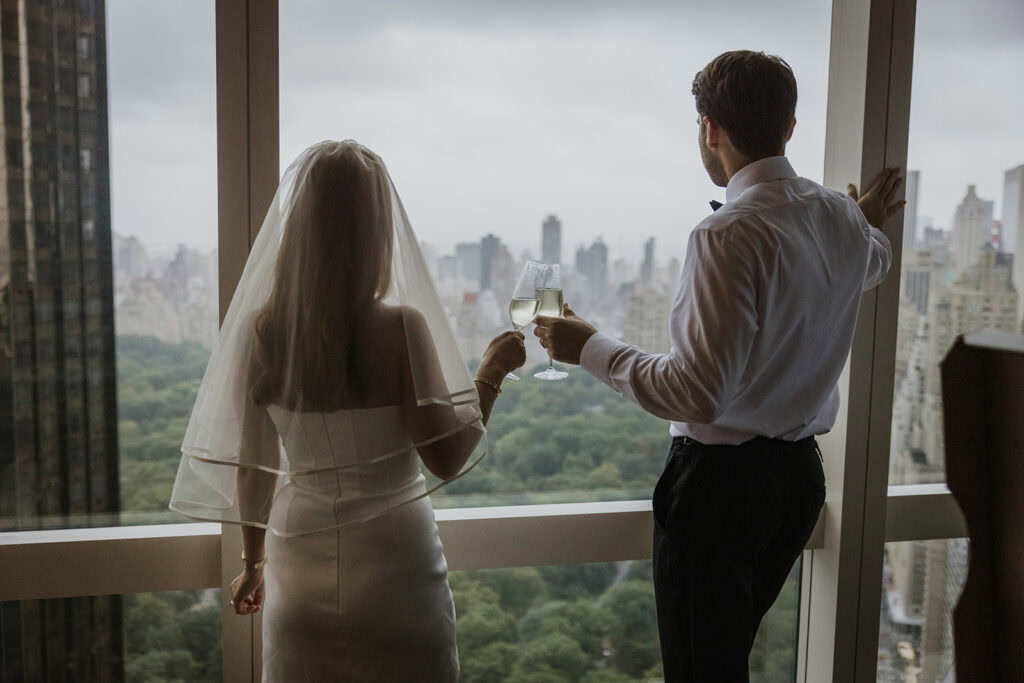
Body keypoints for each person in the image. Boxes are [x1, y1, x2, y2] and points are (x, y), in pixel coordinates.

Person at [534, 50, 904, 681]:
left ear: (709, 128)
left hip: (720, 494)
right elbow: (875, 263)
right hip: (797, 483)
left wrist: (587, 347)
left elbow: (696, 392)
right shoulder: (840, 218)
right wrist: (856, 219)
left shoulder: (726, 233)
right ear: (789, 127)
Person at [169, 141, 525, 681]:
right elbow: (447, 458)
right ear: (377, 231)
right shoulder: (402, 327)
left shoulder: (265, 331)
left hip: (299, 572)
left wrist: (252, 565)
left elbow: (253, 467)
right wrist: (492, 370)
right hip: (397, 571)